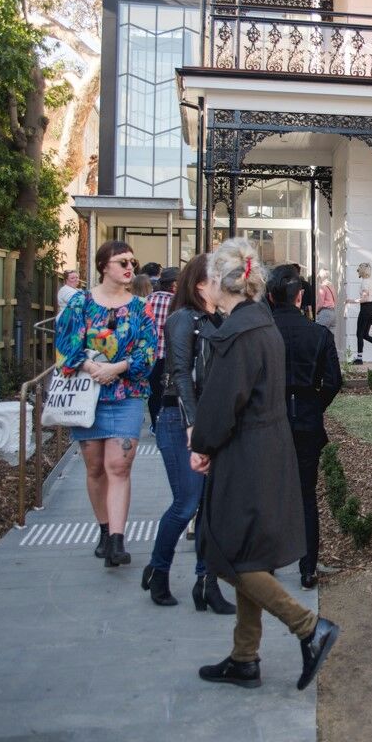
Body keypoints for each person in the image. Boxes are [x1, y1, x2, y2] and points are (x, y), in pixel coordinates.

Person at [190, 238, 339, 691]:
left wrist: (203, 444)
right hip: (268, 447)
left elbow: (222, 402)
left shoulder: (239, 332)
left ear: (221, 283)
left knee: (230, 552)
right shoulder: (260, 324)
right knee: (248, 550)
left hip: (246, 453)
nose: (204, 289)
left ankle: (309, 627)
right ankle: (244, 656)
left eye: (210, 280)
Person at [54, 240, 157, 569]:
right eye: (121, 262)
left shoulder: (141, 307)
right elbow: (64, 340)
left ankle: (117, 539)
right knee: (95, 467)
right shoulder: (81, 303)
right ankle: (103, 530)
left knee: (119, 466)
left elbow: (148, 350)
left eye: (132, 261)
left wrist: (118, 367)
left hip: (126, 396)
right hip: (88, 396)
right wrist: (88, 365)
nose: (129, 267)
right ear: (103, 267)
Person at [143, 253, 235, 614]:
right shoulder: (183, 319)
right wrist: (193, 425)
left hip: (209, 421)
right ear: (200, 284)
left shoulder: (219, 319)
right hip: (178, 418)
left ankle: (206, 583)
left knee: (209, 508)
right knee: (187, 504)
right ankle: (159, 571)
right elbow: (180, 373)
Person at [269, 263, 343, 590]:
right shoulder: (318, 334)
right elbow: (333, 381)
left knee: (269, 492)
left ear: (271, 296)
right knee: (305, 495)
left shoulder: (262, 331)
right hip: (305, 418)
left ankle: (266, 561)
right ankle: (308, 566)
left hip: (269, 419)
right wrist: (314, 405)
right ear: (300, 296)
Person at [146, 266, 176, 427]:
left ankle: (155, 424)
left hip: (150, 353)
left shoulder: (148, 299)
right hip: (170, 353)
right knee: (168, 391)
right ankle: (166, 423)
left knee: (154, 392)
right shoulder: (177, 302)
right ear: (174, 285)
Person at [348, 263, 372, 364]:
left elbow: (364, 298)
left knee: (359, 334)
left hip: (365, 309)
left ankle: (359, 358)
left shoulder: (365, 282)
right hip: (371, 310)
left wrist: (351, 301)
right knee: (365, 334)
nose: (358, 271)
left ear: (362, 271)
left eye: (359, 270)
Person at [315, 268, 338, 333]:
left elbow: (320, 303)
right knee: (330, 338)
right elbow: (335, 300)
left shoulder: (322, 287)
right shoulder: (331, 286)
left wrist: (316, 312)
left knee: (320, 335)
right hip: (333, 313)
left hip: (325, 313)